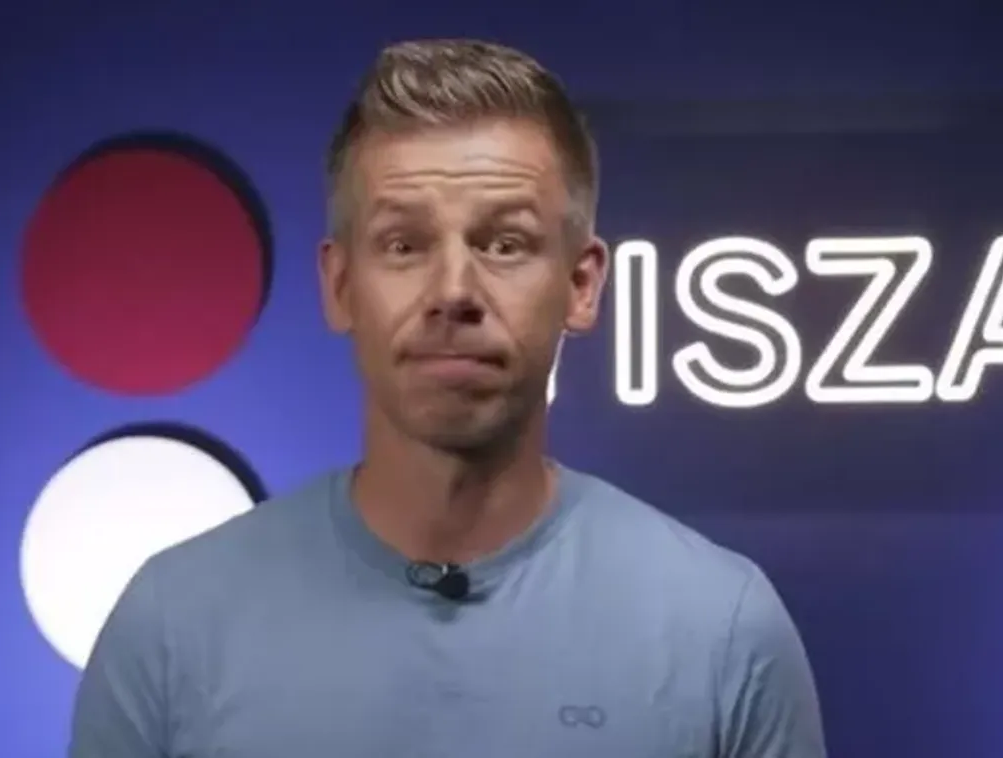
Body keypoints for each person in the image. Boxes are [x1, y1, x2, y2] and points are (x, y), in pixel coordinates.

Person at [69, 38, 827, 758]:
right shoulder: (172, 626)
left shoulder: (720, 628)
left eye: (504, 244)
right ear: (340, 285)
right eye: (404, 245)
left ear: (581, 284)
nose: (454, 291)